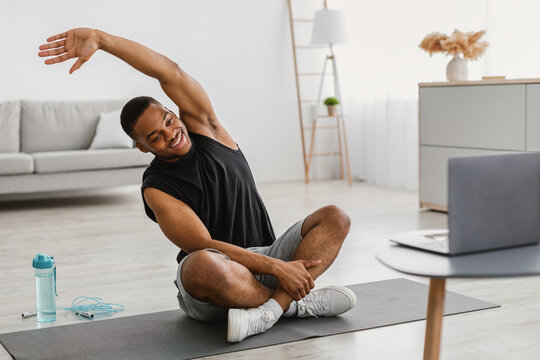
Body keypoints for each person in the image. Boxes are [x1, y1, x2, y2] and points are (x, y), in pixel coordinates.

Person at [38, 28, 356, 342]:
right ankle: (291, 305)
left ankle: (270, 311)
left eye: (167, 120)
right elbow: (203, 244)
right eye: (155, 137)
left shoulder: (208, 128)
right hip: (216, 278)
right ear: (143, 148)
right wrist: (278, 268)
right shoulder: (156, 187)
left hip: (265, 259)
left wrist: (103, 40)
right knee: (202, 262)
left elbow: (170, 72)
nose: (170, 134)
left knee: (335, 216)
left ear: (172, 112)